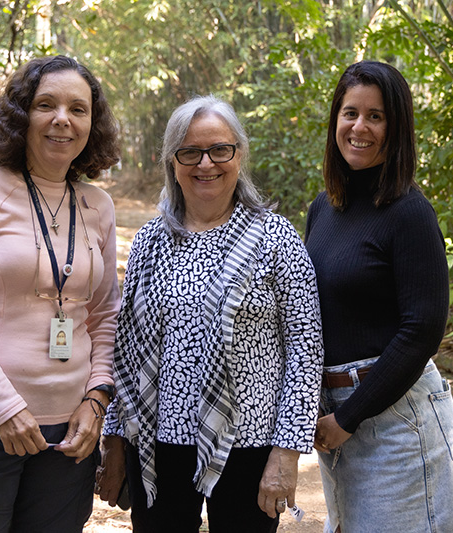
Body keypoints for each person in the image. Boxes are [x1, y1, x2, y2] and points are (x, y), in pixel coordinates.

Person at [96, 95, 323, 532]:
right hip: (158, 440)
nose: (206, 164)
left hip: (250, 441)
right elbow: (126, 349)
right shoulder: (150, 241)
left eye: (220, 149)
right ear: (172, 162)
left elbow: (305, 349)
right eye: (190, 152)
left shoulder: (275, 238)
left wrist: (287, 452)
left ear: (239, 156)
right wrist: (115, 439)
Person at [0, 55, 121, 532]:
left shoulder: (97, 205)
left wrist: (96, 401)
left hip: (69, 434)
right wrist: (6, 407)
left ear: (92, 125)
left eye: (78, 109)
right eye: (46, 105)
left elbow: (106, 315)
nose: (62, 119)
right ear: (20, 116)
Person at [305, 60, 453, 533]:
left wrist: (349, 416)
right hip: (339, 415)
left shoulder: (409, 212)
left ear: (396, 128)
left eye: (375, 116)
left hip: (395, 419)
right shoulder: (325, 207)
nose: (360, 127)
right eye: (350, 112)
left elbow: (421, 332)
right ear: (335, 119)